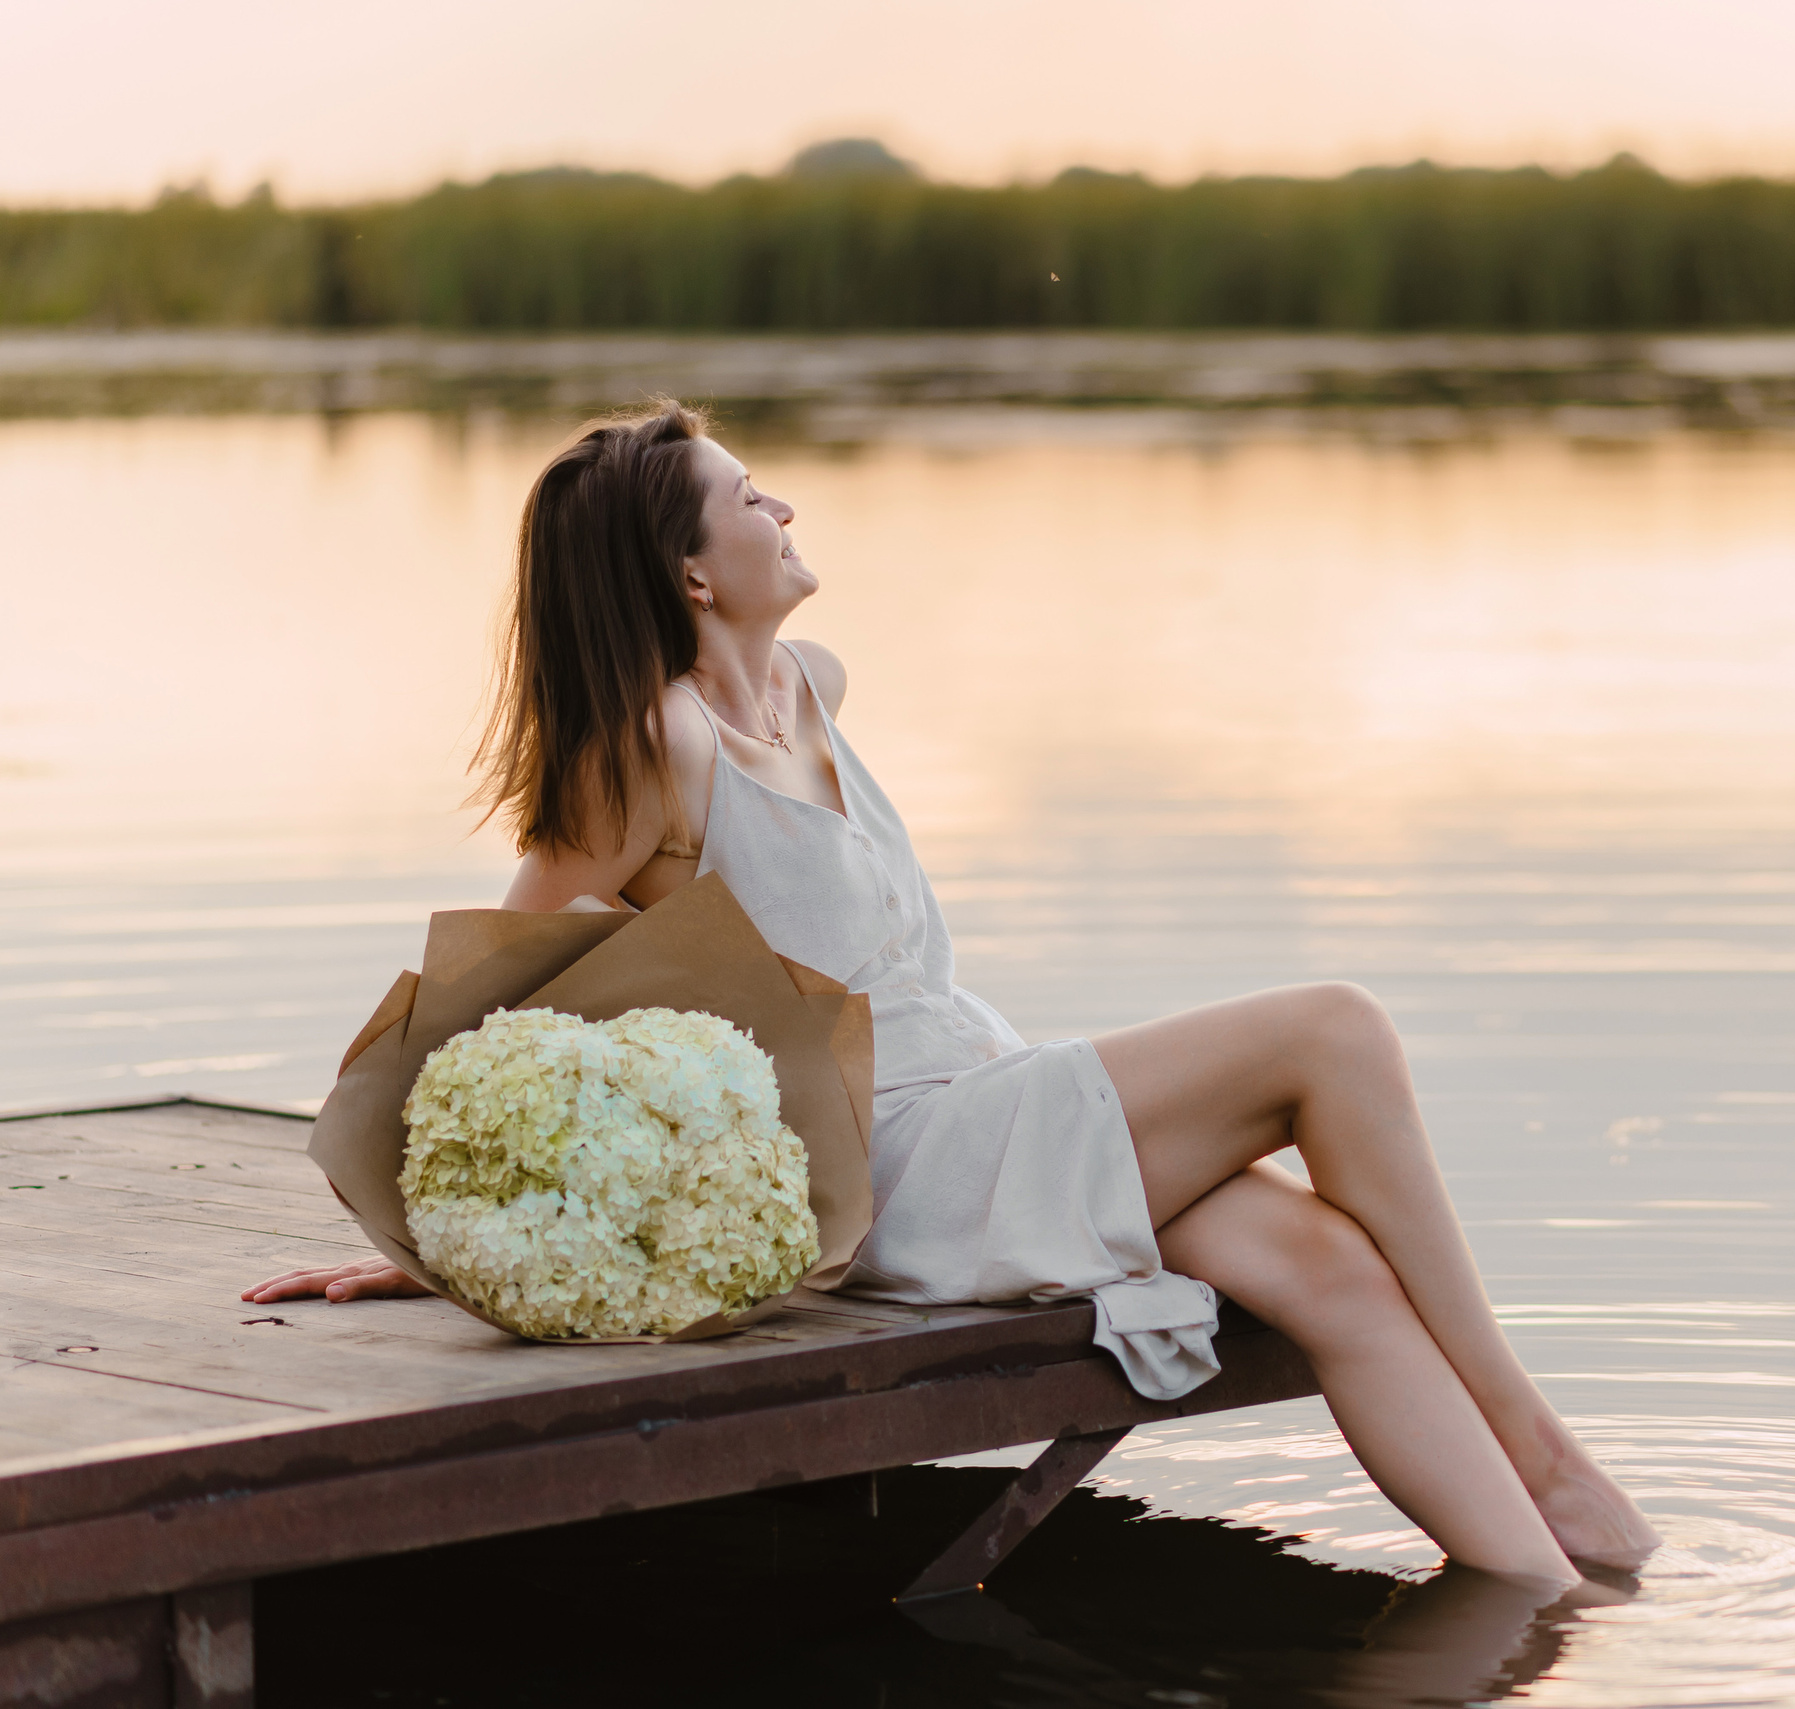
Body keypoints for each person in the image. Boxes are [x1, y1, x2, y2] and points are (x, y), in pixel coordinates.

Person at [245, 401, 1659, 1595]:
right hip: (902, 1160)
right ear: (688, 571)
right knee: (1332, 1029)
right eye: (748, 496)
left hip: (982, 1093)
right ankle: (1542, 1442)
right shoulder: (654, 747)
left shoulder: (809, 687)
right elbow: (490, 992)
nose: (783, 501)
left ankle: (1539, 1595)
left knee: (1328, 1269)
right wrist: (440, 1232)